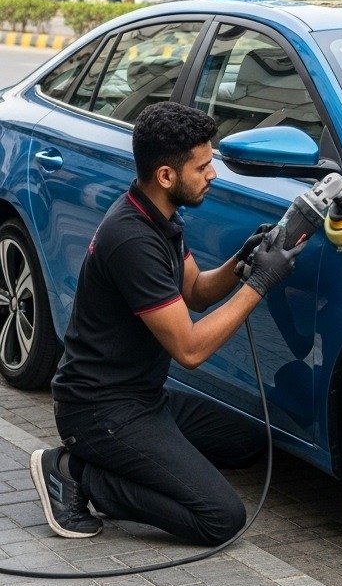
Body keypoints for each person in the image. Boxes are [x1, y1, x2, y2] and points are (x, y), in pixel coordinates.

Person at [31, 102, 305, 543]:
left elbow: (194, 290)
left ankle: (141, 461)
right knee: (220, 518)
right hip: (100, 412)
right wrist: (263, 283)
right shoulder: (133, 239)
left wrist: (245, 263)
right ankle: (75, 473)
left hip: (142, 398)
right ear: (166, 175)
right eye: (203, 166)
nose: (212, 173)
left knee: (247, 443)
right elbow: (191, 350)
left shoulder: (160, 216)